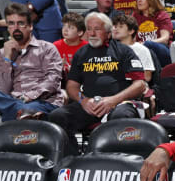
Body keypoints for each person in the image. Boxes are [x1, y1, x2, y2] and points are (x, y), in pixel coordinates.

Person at [47, 12, 145, 146]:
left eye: (97, 29)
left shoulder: (124, 51)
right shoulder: (81, 53)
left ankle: (116, 158)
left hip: (119, 103)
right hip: (90, 105)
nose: (92, 34)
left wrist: (113, 100)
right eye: (89, 29)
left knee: (120, 116)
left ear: (109, 33)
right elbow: (71, 86)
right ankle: (72, 157)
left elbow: (140, 84)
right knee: (57, 116)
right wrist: (84, 101)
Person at [0, 3, 63, 122]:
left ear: (30, 26)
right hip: (15, 101)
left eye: (21, 23)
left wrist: (29, 96)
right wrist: (8, 59)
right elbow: (2, 91)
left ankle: (19, 111)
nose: (16, 28)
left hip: (44, 102)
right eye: (11, 23)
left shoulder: (47, 48)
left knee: (19, 109)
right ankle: (20, 110)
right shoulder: (3, 53)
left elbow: (52, 81)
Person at [133, 0, 173, 67]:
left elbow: (165, 39)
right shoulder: (135, 16)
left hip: (162, 49)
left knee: (148, 44)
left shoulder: (161, 15)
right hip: (141, 51)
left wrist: (145, 44)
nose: (139, 0)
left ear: (151, 0)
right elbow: (132, 38)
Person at [113, 14, 155, 84]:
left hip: (135, 85)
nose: (116, 29)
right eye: (115, 26)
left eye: (121, 26)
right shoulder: (111, 48)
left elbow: (147, 77)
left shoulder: (142, 49)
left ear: (131, 31)